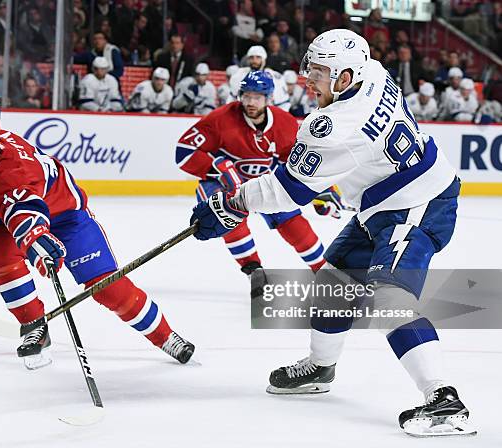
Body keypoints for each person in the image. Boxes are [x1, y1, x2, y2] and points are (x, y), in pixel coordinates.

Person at [190, 29, 474, 437]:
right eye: (311, 67)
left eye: (320, 72)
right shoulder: (372, 71)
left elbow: (287, 190)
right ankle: (320, 368)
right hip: (385, 200)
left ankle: (444, 398)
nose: (309, 78)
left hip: (418, 203)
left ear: (344, 78)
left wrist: (232, 204)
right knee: (334, 281)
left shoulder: (334, 125)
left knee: (388, 298)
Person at [0, 80, 195, 370]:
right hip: (5, 214)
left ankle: (165, 336)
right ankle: (34, 325)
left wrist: (38, 247)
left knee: (106, 287)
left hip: (66, 217)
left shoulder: (16, 176)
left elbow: (26, 218)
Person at [176, 71, 335, 296]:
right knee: (227, 216)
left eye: (257, 97)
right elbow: (183, 152)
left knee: (293, 222)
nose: (251, 102)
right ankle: (255, 273)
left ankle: (324, 272)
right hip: (224, 185)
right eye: (246, 96)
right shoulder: (220, 119)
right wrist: (218, 168)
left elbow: (299, 162)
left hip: (264, 182)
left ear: (269, 98)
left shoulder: (285, 123)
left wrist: (321, 190)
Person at [228, 45, 290, 111]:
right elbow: (231, 100)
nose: (254, 60)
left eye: (258, 57)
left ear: (264, 59)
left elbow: (284, 104)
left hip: (268, 114)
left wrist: (276, 118)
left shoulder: (275, 77)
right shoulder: (239, 75)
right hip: (243, 113)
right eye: (251, 57)